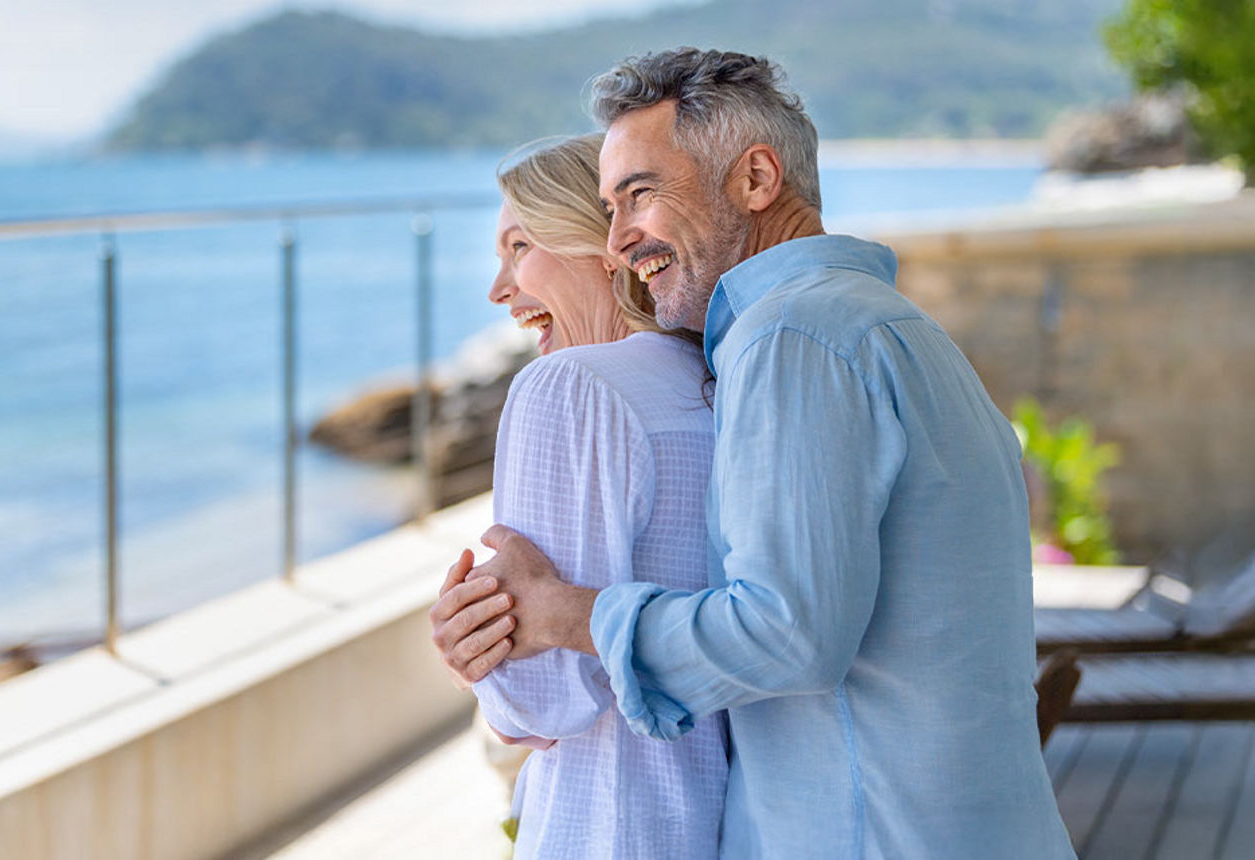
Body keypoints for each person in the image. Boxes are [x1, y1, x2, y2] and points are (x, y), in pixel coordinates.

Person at [432, 49, 1076, 857]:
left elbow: (786, 634)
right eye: (606, 207)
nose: (620, 238)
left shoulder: (791, 339)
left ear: (756, 180)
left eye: (640, 195)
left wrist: (559, 613)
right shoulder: (895, 327)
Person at [430, 133, 727, 858]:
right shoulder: (715, 381)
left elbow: (546, 699)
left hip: (610, 821)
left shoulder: (568, 386)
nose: (500, 291)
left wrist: (477, 660)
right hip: (724, 815)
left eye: (519, 246)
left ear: (603, 244)